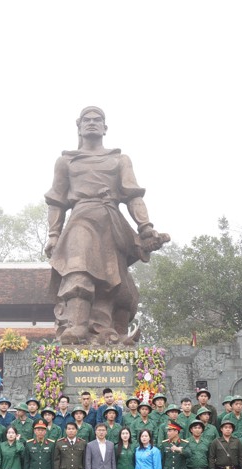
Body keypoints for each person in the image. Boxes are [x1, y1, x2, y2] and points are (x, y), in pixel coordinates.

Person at [44, 106, 169, 344]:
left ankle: (110, 331)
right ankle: (77, 326)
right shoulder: (66, 161)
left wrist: (145, 227)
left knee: (116, 284)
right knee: (78, 268)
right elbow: (57, 201)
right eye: (87, 120)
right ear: (79, 127)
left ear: (105, 127)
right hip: (81, 219)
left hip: (111, 222)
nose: (92, 123)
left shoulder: (119, 159)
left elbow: (133, 195)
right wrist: (53, 234)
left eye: (97, 120)